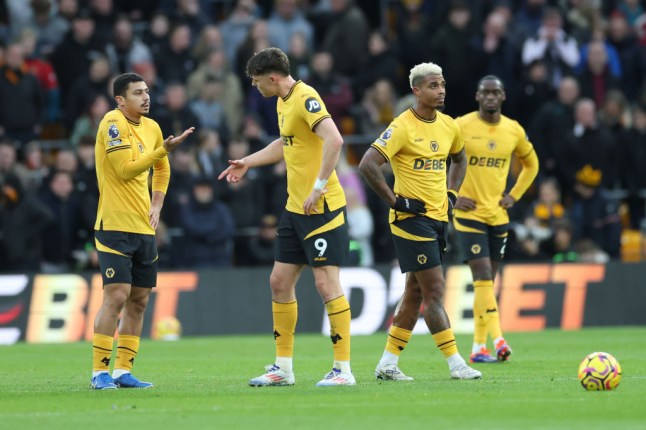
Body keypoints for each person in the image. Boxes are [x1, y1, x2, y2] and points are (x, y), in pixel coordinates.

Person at [218, 47, 354, 387]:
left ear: (273, 78)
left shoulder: (306, 97)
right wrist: (248, 161)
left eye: (256, 81)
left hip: (321, 208)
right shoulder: (283, 102)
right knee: (279, 282)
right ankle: (283, 368)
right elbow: (286, 143)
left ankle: (343, 370)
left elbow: (334, 140)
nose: (255, 87)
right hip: (296, 208)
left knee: (326, 284)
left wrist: (319, 187)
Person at [358, 61, 481, 381]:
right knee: (435, 291)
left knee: (414, 293)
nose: (440, 91)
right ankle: (456, 364)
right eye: (432, 86)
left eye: (442, 85)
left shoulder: (448, 125)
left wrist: (452, 195)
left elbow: (460, 158)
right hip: (410, 220)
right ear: (416, 90)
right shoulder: (401, 126)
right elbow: (368, 163)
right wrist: (395, 200)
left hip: (438, 218)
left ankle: (386, 364)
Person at [91, 73, 194, 390]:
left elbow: (161, 169)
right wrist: (162, 151)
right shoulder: (112, 122)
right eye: (137, 93)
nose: (146, 97)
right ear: (120, 100)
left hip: (143, 228)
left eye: (147, 91)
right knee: (117, 296)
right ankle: (99, 372)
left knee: (139, 300)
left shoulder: (152, 128)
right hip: (114, 226)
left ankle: (123, 370)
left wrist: (158, 203)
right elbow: (124, 170)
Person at [452, 75, 539, 363]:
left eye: (496, 92)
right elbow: (435, 156)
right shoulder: (461, 125)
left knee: (486, 284)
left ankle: (479, 347)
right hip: (468, 214)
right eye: (485, 93)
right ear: (477, 96)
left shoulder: (513, 130)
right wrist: (449, 193)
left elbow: (532, 164)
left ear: (503, 97)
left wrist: (514, 195)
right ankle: (499, 338)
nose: (490, 97)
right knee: (483, 278)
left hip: (497, 214)